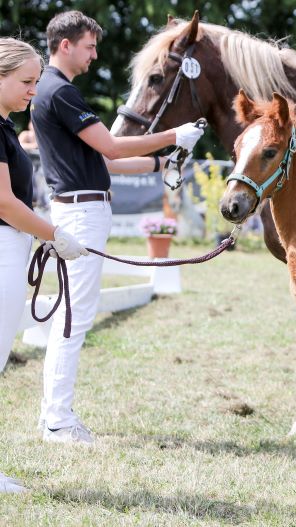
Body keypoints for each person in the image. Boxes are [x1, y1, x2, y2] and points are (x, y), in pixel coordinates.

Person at [31, 11, 204, 445]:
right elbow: (110, 145)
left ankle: (54, 415)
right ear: (65, 45)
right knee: (75, 319)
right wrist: (170, 135)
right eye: (89, 47)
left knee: (74, 316)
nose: (94, 55)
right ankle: (57, 420)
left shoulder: (56, 91)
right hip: (81, 213)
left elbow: (106, 162)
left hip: (84, 210)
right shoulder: (61, 92)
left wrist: (162, 160)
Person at [0, 36, 88, 493]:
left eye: (36, 81)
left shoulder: (6, 126)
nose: (33, 90)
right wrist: (54, 233)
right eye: (26, 81)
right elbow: (3, 202)